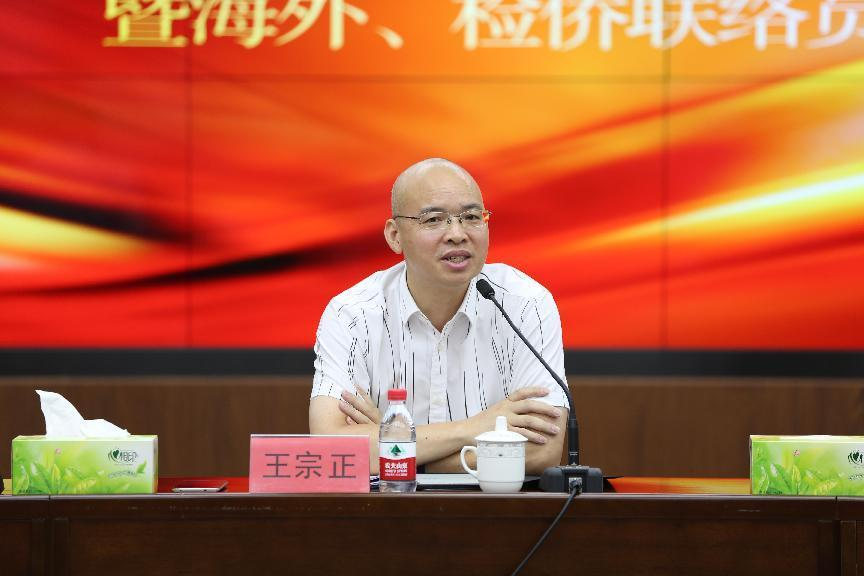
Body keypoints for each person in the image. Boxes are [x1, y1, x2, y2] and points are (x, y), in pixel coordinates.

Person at [308, 158, 568, 474]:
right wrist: (475, 427)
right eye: (434, 220)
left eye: (471, 217)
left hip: (495, 503)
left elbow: (543, 452)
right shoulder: (351, 314)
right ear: (394, 236)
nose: (457, 234)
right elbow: (332, 448)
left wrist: (396, 446)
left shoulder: (525, 304)